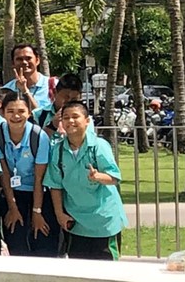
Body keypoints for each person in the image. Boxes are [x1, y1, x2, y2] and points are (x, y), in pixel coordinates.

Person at [45, 100, 127, 260]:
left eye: (75, 117)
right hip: (76, 222)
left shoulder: (99, 146)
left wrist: (98, 176)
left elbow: (114, 177)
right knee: (80, 269)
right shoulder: (58, 150)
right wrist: (59, 214)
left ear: (87, 121)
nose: (70, 121)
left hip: (103, 221)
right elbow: (55, 185)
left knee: (107, 268)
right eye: (66, 117)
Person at [0, 89, 58, 258]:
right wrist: (12, 208)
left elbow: (39, 178)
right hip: (12, 193)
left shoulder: (38, 136)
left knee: (42, 241)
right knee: (16, 242)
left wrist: (37, 212)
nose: (16, 116)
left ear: (29, 113)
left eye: (21, 111)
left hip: (39, 193)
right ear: (2, 112)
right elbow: (4, 173)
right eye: (10, 111)